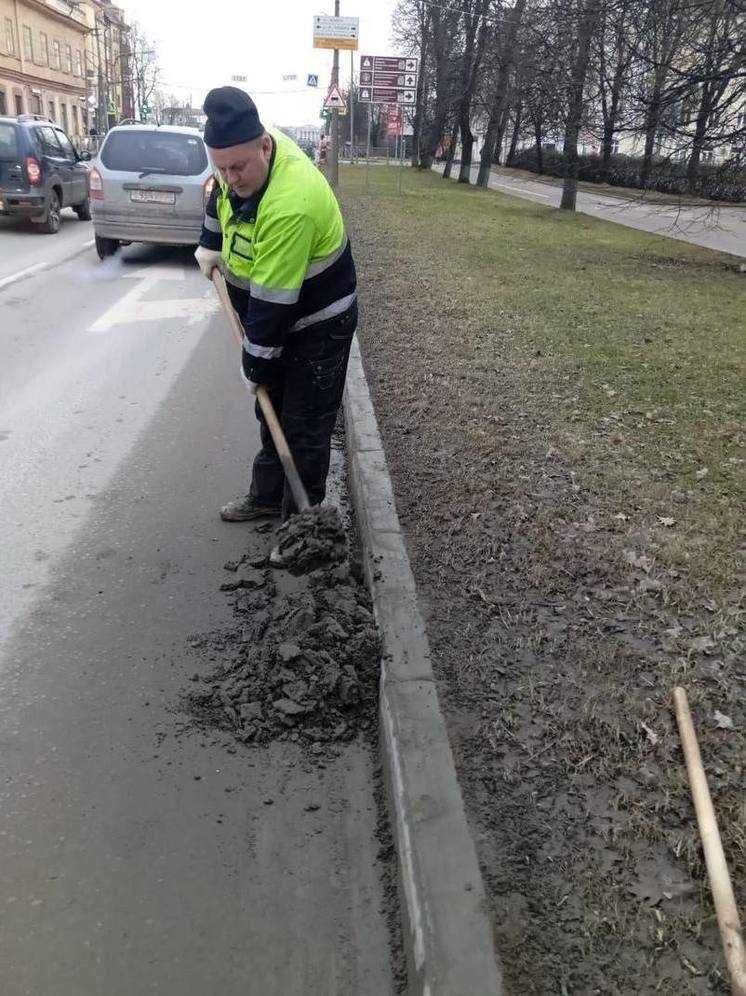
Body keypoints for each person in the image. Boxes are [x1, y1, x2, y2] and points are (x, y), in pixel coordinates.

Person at [195, 87, 357, 529]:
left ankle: (301, 525)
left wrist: (256, 362)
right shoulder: (238, 167)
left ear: (265, 146)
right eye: (221, 167)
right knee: (271, 409)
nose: (231, 177)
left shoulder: (291, 204)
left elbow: (273, 303)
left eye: (238, 166)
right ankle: (267, 498)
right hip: (275, 309)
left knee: (303, 424)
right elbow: (221, 199)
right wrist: (210, 244)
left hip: (318, 321)